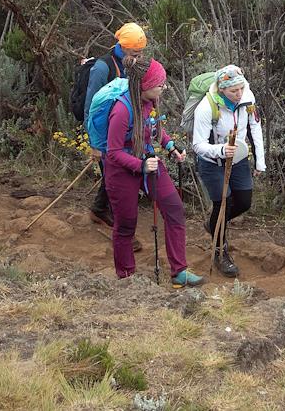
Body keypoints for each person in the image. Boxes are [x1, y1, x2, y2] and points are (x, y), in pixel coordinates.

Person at [104, 54, 204, 287]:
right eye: (160, 84)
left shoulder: (152, 102)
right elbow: (113, 152)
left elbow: (155, 129)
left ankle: (179, 272)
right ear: (145, 86)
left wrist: (170, 147)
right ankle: (126, 278)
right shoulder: (121, 111)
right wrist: (140, 165)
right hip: (122, 171)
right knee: (126, 224)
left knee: (174, 208)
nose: (164, 87)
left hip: (148, 161)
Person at [191, 64, 266, 277]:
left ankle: (214, 224)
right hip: (212, 162)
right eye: (234, 91)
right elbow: (198, 145)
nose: (239, 94)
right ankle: (220, 252)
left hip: (238, 158)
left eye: (241, 88)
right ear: (222, 89)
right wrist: (221, 150)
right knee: (223, 204)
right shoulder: (206, 107)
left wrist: (260, 161)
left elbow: (255, 127)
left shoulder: (247, 98)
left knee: (244, 201)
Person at [85, 23, 147, 227]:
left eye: (141, 52)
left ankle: (99, 210)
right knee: (114, 176)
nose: (139, 56)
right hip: (103, 132)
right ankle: (120, 227)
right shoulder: (102, 68)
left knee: (113, 173)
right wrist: (94, 144)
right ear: (124, 46)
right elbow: (90, 107)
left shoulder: (131, 63)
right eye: (135, 53)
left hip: (124, 130)